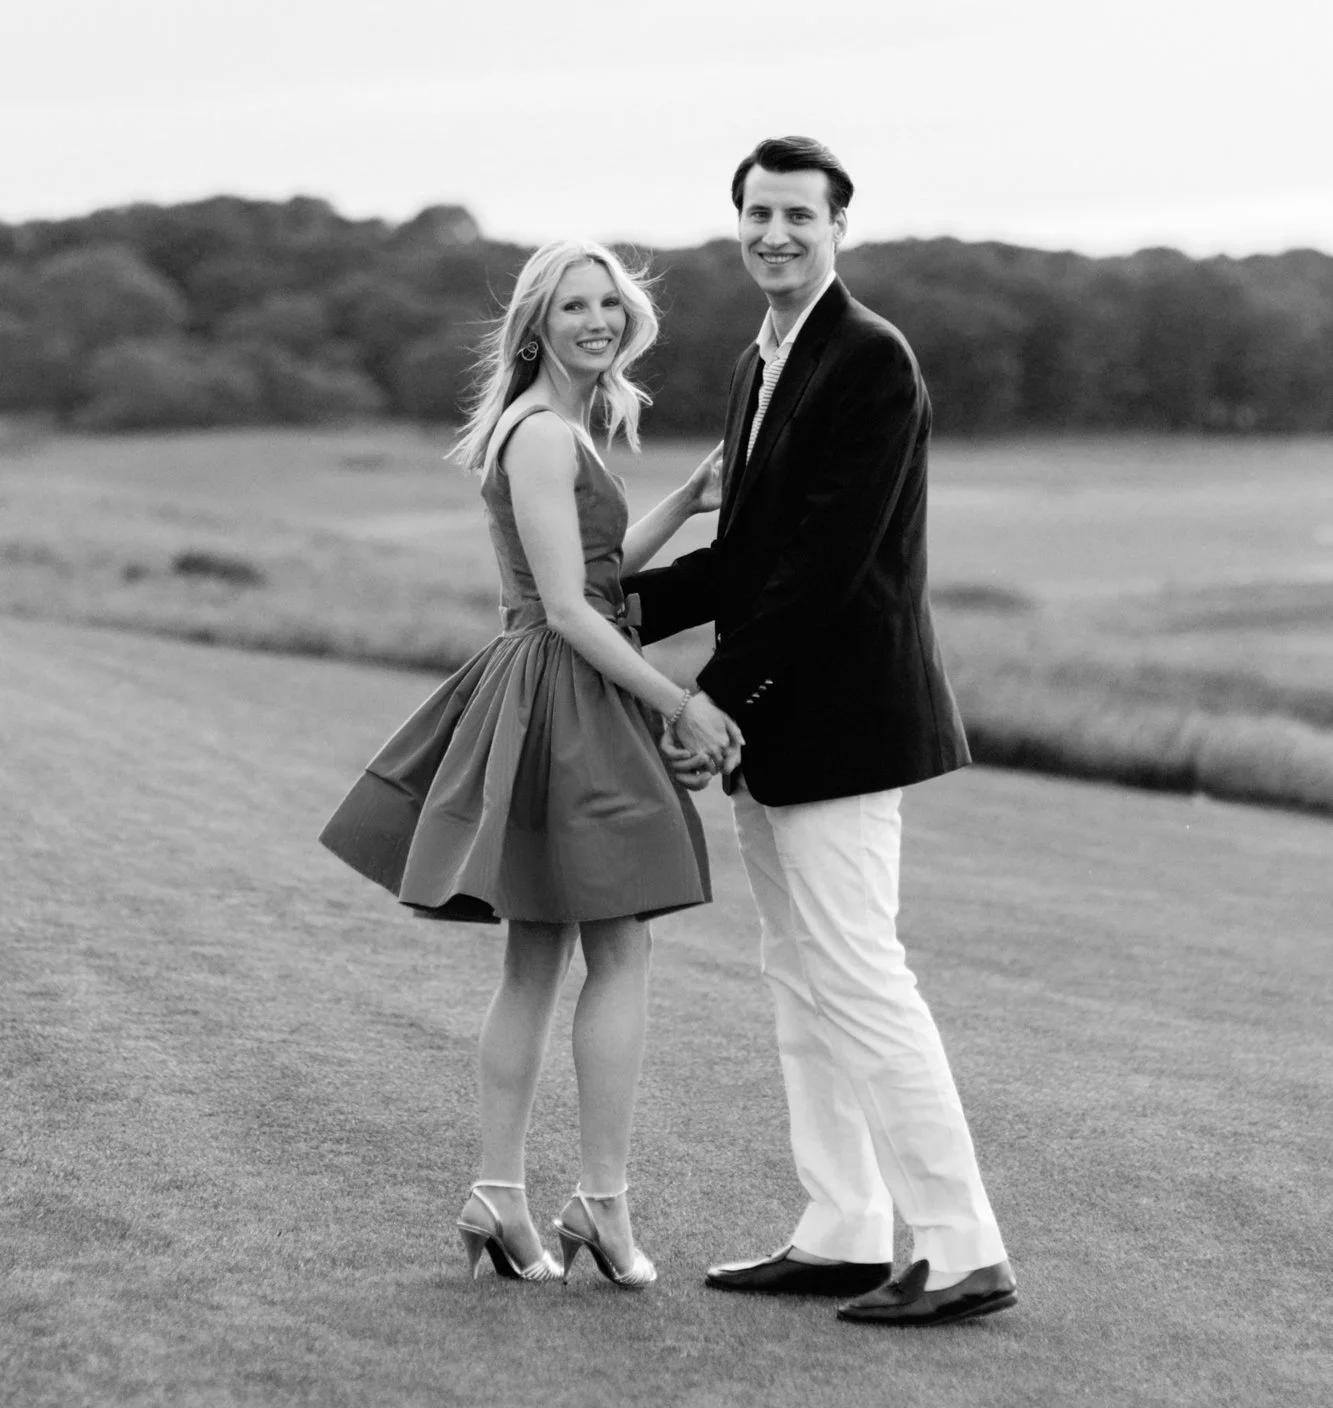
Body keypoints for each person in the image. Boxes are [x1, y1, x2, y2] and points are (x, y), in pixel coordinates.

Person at [625, 135, 1018, 1327]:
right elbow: (748, 557)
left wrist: (715, 701)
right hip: (782, 716)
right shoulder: (762, 358)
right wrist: (615, 611)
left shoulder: (869, 360)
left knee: (858, 971)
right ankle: (842, 1227)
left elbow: (824, 567)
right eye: (756, 213)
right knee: (798, 971)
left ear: (839, 224)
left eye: (797, 213)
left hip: (845, 720)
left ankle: (959, 1247)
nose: (774, 233)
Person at [319, 239, 740, 1290]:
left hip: (549, 691)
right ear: (536, 323)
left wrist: (686, 499)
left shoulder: (550, 429)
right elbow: (568, 609)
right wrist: (680, 699)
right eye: (572, 304)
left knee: (537, 959)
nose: (596, 318)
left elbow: (592, 571)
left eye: (609, 301)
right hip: (566, 697)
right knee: (618, 953)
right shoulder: (545, 434)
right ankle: (599, 1203)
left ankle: (500, 1194)